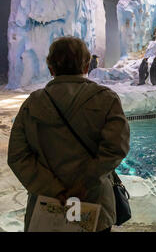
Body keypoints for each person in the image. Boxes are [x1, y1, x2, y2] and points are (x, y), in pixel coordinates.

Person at [8, 36, 130, 232]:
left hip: (46, 208)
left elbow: (17, 156)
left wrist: (53, 190)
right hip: (94, 204)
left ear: (51, 69)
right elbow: (117, 148)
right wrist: (84, 183)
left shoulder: (32, 104)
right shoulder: (106, 99)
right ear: (85, 65)